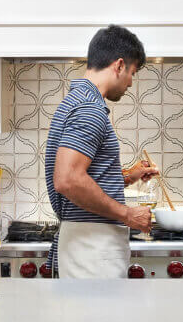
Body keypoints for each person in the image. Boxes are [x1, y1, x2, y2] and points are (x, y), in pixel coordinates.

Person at [45, 25, 159, 278]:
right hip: (92, 245)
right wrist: (127, 214)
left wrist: (129, 176)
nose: (131, 82)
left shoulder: (77, 101)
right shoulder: (89, 109)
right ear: (119, 65)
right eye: (132, 72)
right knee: (100, 318)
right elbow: (68, 179)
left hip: (86, 243)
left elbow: (83, 175)